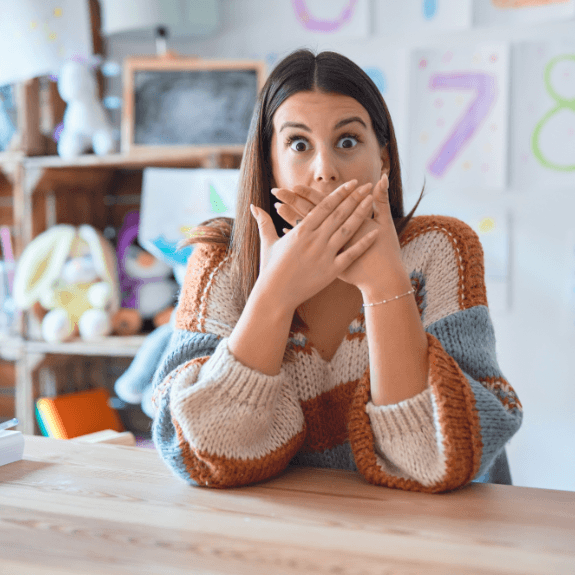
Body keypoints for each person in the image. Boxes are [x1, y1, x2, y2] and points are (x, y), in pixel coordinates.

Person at [150, 49, 522, 491]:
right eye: (299, 144)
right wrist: (275, 293)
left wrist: (385, 284)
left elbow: (435, 461)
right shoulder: (219, 262)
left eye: (347, 141)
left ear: (382, 159)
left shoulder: (440, 249)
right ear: (269, 161)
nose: (325, 170)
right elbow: (203, 457)